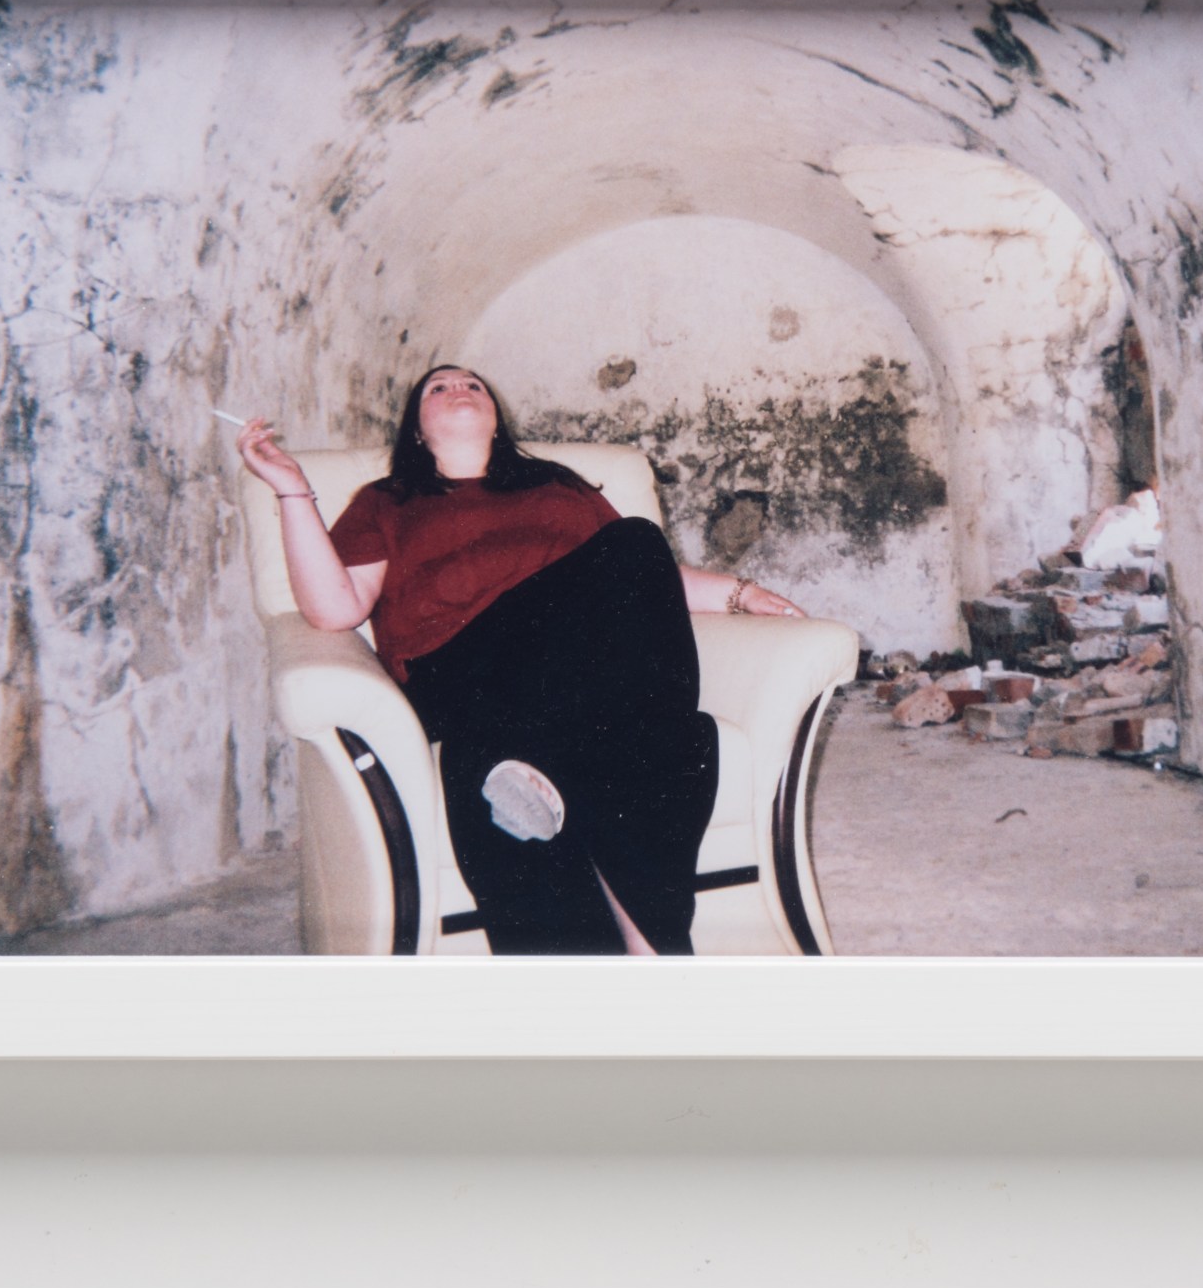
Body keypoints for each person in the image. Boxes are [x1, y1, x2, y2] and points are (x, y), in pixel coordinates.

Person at [238, 365, 805, 956]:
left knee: (645, 584)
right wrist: (291, 489)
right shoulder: (388, 501)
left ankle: (638, 941)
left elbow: (640, 576)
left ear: (496, 417)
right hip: (461, 669)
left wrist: (741, 594)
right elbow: (335, 608)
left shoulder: (556, 487)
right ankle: (639, 923)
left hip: (565, 677)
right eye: (438, 388)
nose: (459, 389)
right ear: (417, 431)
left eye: (473, 385)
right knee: (652, 727)